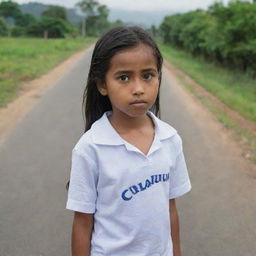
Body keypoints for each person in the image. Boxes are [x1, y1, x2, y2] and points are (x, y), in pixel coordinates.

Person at [66, 25, 192, 256]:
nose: (138, 89)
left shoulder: (170, 139)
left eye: (148, 75)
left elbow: (170, 209)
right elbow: (83, 223)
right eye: (124, 77)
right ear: (102, 85)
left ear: (159, 77)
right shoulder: (91, 148)